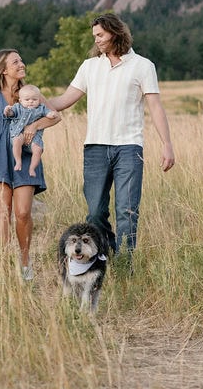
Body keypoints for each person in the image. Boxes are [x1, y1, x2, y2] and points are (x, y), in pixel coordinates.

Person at [47, 13, 175, 258]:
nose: (96, 40)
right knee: (95, 212)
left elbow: (156, 107)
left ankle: (125, 263)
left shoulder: (143, 66)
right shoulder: (89, 66)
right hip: (95, 148)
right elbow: (64, 100)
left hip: (129, 147)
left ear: (115, 33)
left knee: (127, 210)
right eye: (94, 36)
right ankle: (108, 250)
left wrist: (167, 144)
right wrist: (33, 102)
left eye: (100, 35)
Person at [0, 50, 61, 280]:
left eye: (21, 59)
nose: (22, 64)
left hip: (26, 154)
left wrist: (35, 126)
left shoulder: (31, 92)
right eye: (16, 62)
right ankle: (2, 266)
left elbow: (56, 116)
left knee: (22, 212)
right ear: (4, 70)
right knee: (3, 212)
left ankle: (24, 263)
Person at [3, 84, 58, 176]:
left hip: (34, 138)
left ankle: (32, 168)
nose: (31, 102)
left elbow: (48, 113)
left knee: (38, 149)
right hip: (19, 133)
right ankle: (18, 161)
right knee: (16, 141)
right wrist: (8, 111)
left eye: (34, 99)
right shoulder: (17, 107)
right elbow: (12, 114)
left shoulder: (41, 108)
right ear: (20, 100)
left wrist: (51, 115)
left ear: (39, 100)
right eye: (27, 100)